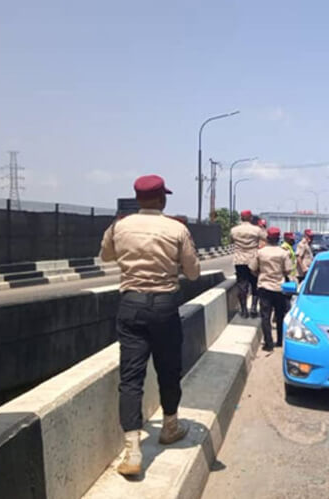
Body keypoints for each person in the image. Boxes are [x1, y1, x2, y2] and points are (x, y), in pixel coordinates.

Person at [99, 174, 201, 476]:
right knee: (168, 369)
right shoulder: (176, 228)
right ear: (162, 198)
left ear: (137, 198)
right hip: (164, 306)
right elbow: (193, 273)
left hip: (130, 305)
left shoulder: (120, 225)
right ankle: (170, 426)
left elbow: (106, 256)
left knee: (131, 377)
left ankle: (132, 449)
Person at [250, 227, 293, 351]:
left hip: (264, 287)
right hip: (279, 288)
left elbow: (252, 269)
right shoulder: (283, 253)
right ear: (278, 238)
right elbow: (288, 270)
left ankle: (268, 343)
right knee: (280, 316)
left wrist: (260, 274)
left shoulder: (260, 252)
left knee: (265, 316)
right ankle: (279, 341)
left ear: (268, 238)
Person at [230, 210, 266, 318]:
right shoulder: (256, 230)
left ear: (241, 218)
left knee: (242, 286)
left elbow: (231, 241)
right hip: (253, 260)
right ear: (250, 218)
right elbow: (266, 238)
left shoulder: (234, 230)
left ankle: (244, 310)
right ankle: (254, 307)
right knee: (255, 284)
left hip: (239, 260)